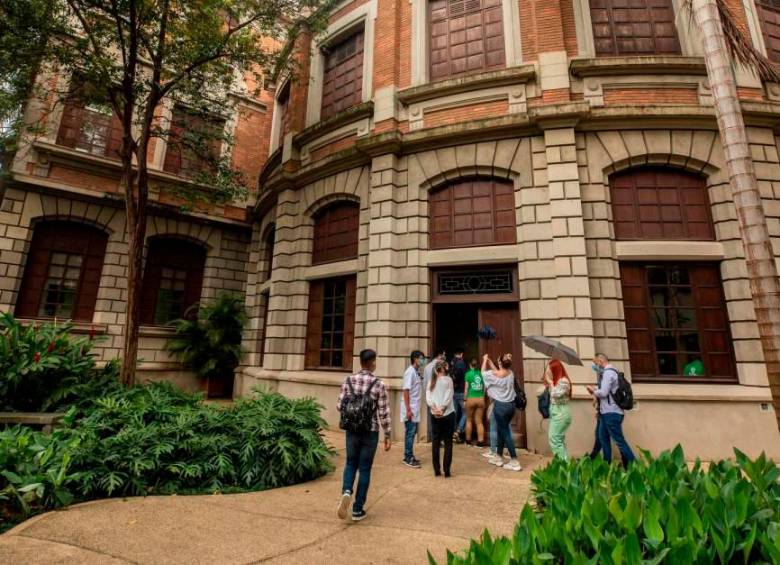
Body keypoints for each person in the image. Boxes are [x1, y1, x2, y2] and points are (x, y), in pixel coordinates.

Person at [337, 349, 392, 522]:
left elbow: (340, 406)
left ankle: (347, 490)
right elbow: (383, 412)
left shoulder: (348, 381)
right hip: (370, 431)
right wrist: (388, 434)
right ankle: (357, 509)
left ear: (360, 363)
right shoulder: (378, 384)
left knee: (351, 463)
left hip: (352, 430)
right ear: (373, 363)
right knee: (365, 469)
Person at [586, 353, 636, 467]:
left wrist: (592, 390)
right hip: (606, 413)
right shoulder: (612, 372)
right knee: (602, 437)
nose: (594, 366)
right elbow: (607, 391)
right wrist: (596, 390)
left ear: (600, 361)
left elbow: (603, 393)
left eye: (595, 363)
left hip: (611, 412)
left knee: (619, 441)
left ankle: (635, 466)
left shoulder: (608, 373)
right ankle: (606, 465)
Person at [482, 353, 522, 472]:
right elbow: (500, 373)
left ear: (499, 363)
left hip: (500, 407)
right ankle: (498, 457)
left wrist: (484, 360)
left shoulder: (493, 375)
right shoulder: (510, 373)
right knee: (501, 430)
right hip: (511, 406)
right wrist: (491, 363)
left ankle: (514, 460)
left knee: (505, 433)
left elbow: (483, 372)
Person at [426, 359, 456, 477]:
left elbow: (428, 398)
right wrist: (442, 408)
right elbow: (449, 396)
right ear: (443, 368)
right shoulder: (448, 380)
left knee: (436, 442)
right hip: (447, 414)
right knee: (448, 442)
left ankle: (436, 470)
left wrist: (434, 408)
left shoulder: (431, 381)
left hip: (435, 415)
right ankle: (447, 470)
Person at [543, 358, 572, 460]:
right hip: (556, 412)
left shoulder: (564, 381)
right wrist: (548, 383)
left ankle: (562, 464)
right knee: (558, 439)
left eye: (549, 370)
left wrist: (550, 383)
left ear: (555, 370)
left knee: (554, 438)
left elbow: (556, 395)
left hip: (561, 413)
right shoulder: (557, 381)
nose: (548, 372)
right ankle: (563, 462)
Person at [401, 350, 424, 468]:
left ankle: (408, 455)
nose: (423, 360)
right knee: (410, 433)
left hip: (414, 407)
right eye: (421, 358)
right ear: (415, 359)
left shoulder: (416, 372)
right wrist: (408, 409)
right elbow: (406, 390)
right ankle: (408, 457)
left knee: (411, 432)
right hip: (410, 408)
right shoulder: (409, 372)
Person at [464, 357, 486, 446]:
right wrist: (483, 396)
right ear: (477, 365)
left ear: (470, 365)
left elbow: (466, 388)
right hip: (480, 398)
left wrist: (465, 399)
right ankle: (480, 442)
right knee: (479, 421)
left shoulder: (468, 374)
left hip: (470, 398)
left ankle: (468, 441)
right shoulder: (481, 373)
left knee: (469, 420)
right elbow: (485, 387)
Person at [450, 348, 468, 442]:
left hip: (454, 392)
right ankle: (458, 430)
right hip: (461, 391)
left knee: (455, 413)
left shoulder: (451, 362)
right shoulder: (461, 362)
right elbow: (464, 377)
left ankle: (453, 433)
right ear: (461, 354)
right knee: (467, 412)